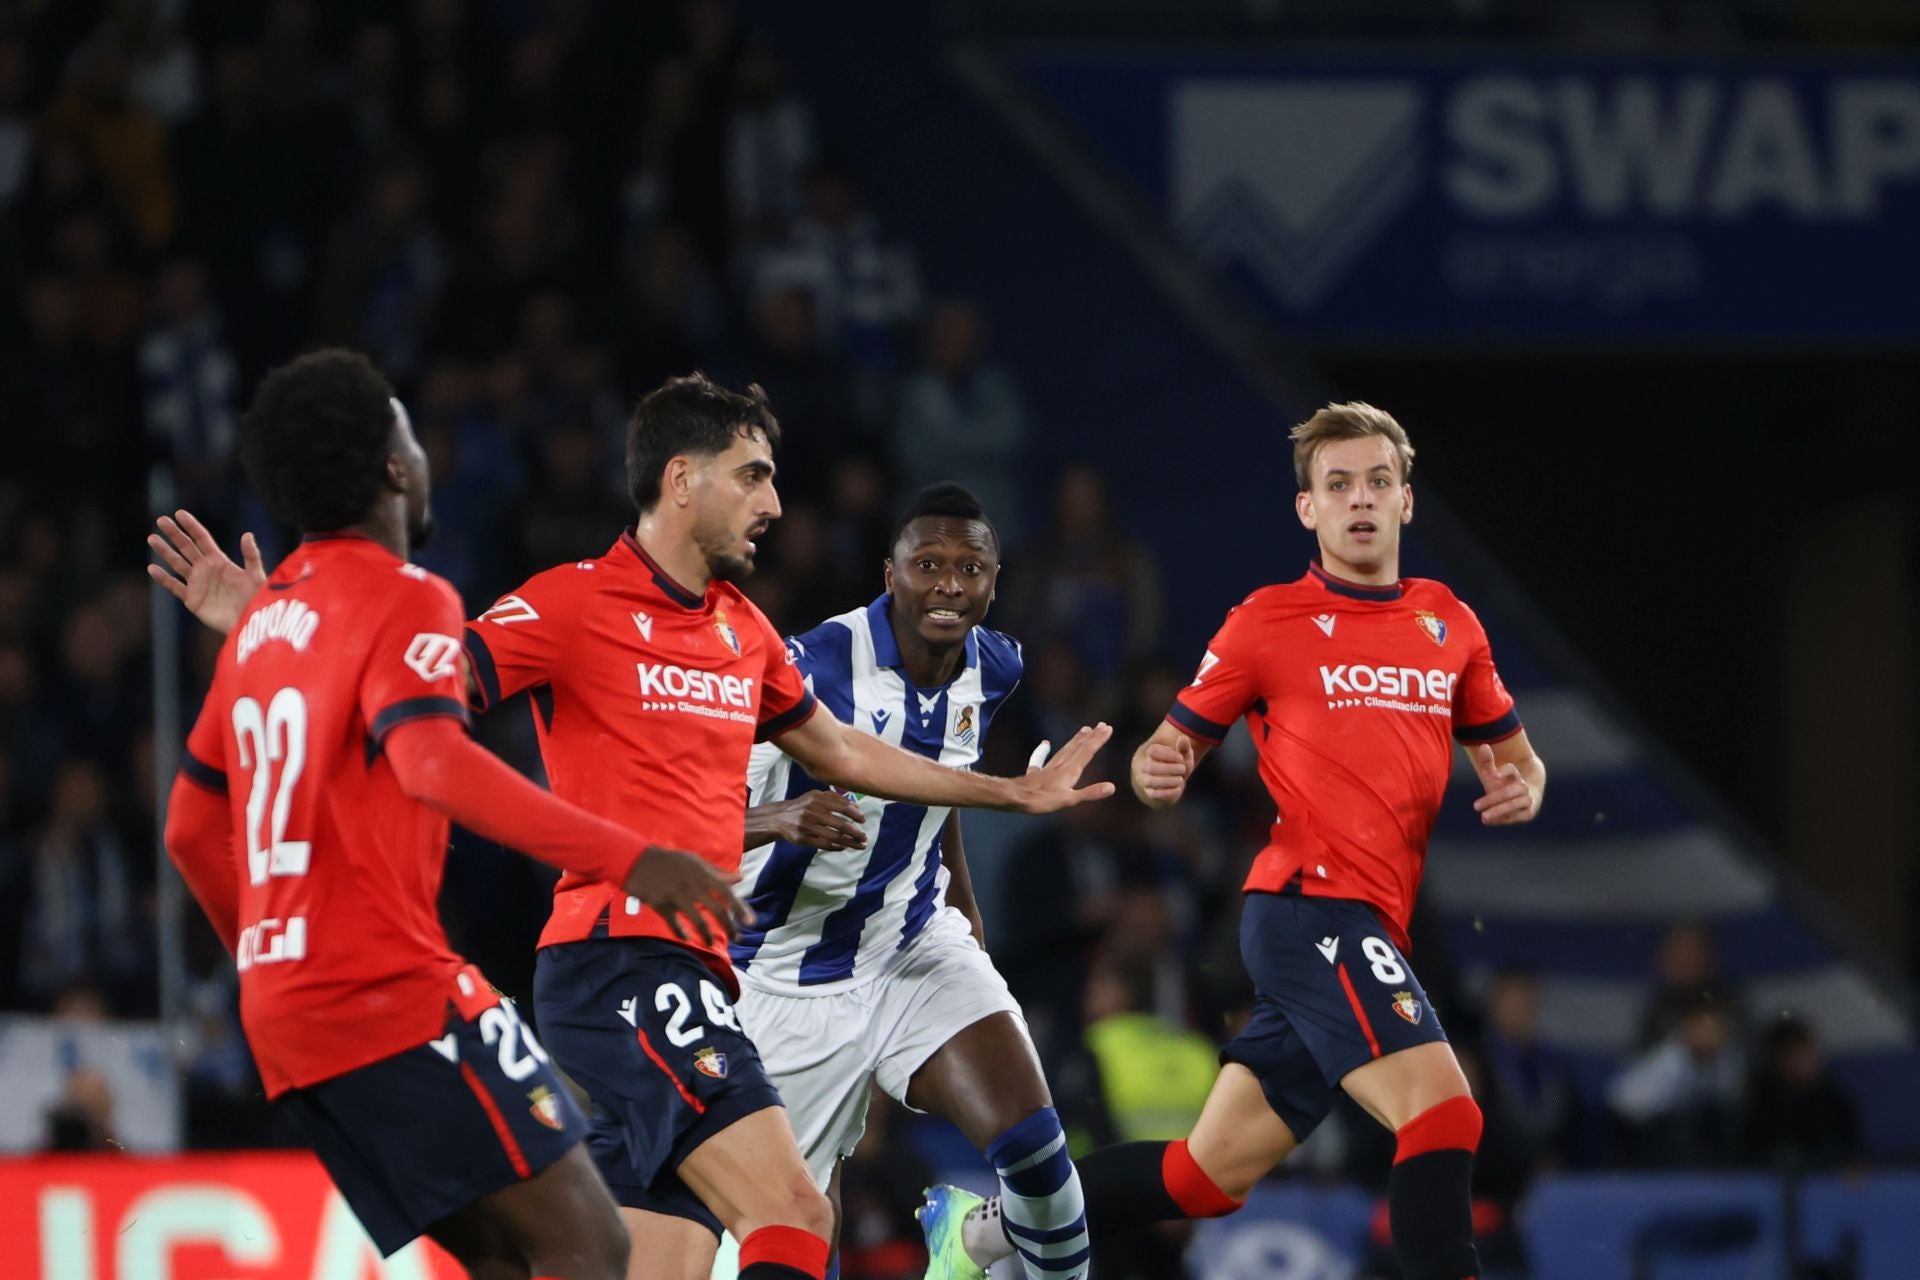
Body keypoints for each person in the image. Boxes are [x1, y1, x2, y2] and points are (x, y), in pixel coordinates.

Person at [151, 372, 1114, 1280]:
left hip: (697, 968)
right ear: (681, 480)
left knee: (647, 1262)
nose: (773, 506)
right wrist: (272, 625)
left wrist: (1008, 794)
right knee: (794, 1211)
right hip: (617, 960)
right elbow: (410, 689)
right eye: (753, 477)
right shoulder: (569, 603)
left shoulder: (743, 629)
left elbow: (848, 754)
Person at [923, 402, 1548, 1280]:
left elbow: (1516, 759)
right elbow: (1163, 751)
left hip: (1373, 922)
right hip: (1309, 908)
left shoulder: (1451, 624)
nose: (1359, 501)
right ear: (1309, 510)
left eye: (1378, 482)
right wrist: (1159, 772)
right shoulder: (1268, 621)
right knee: (1445, 1115)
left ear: (1407, 502)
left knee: (1203, 1176)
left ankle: (982, 1233)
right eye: (1338, 486)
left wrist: (1524, 786)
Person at [158, 349, 747, 1278]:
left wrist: (271, 959)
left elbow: (191, 829)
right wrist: (633, 858)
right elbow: (433, 764)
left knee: (510, 1264)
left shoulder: (266, 626)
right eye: (408, 432)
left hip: (284, 1016)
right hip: (393, 996)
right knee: (594, 1250)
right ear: (394, 467)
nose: (423, 452)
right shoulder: (409, 596)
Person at [729, 483, 1089, 1280]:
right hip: (783, 983)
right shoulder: (807, 666)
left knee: (1040, 1160)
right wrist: (778, 819)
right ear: (890, 575)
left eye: (971, 567)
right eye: (928, 564)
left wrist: (965, 915)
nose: (950, 586)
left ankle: (970, 1244)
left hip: (913, 947)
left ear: (996, 580)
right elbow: (685, 806)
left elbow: (937, 785)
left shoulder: (996, 668)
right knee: (778, 1249)